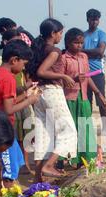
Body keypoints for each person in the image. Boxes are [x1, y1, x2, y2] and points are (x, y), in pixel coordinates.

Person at [0, 40, 41, 188]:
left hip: (0, 125)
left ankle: (8, 194)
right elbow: (9, 109)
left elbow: (7, 102)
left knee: (15, 161)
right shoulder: (8, 78)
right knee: (9, 169)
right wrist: (30, 100)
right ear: (14, 60)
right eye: (23, 64)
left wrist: (27, 96)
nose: (23, 68)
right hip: (0, 128)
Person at [27, 18, 78, 182]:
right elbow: (42, 71)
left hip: (38, 93)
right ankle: (50, 165)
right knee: (68, 130)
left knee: (44, 134)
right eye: (60, 32)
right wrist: (63, 75)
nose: (61, 36)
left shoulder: (38, 48)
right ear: (53, 33)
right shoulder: (54, 50)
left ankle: (38, 176)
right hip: (51, 91)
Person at [62, 28, 106, 167]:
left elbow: (87, 78)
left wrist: (99, 93)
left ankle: (86, 158)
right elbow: (59, 79)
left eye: (81, 43)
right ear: (68, 43)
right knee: (72, 129)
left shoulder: (84, 57)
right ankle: (71, 159)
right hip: (70, 98)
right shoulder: (63, 58)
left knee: (86, 128)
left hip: (83, 97)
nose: (79, 46)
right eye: (76, 43)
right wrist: (74, 78)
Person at [82, 9, 106, 132]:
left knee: (101, 100)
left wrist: (83, 52)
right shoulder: (83, 35)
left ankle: (104, 126)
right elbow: (79, 52)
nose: (94, 22)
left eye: (96, 19)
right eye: (92, 19)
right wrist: (93, 53)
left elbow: (100, 51)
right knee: (86, 101)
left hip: (97, 73)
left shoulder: (101, 34)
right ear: (87, 20)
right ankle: (87, 127)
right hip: (84, 73)